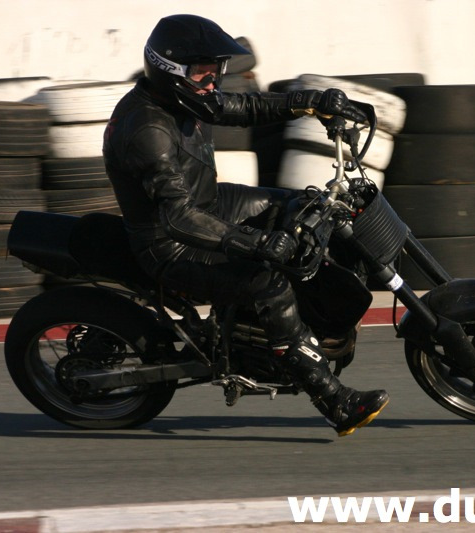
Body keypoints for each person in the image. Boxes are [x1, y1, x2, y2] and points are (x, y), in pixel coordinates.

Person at [102, 14, 388, 436]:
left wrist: (314, 101)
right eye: (203, 71)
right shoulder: (147, 130)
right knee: (268, 283)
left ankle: (309, 321)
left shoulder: (189, 97)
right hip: (172, 243)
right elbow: (178, 217)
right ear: (169, 69)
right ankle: (333, 401)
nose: (212, 80)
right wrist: (253, 243)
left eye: (216, 70)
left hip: (210, 204)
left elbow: (245, 107)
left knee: (302, 205)